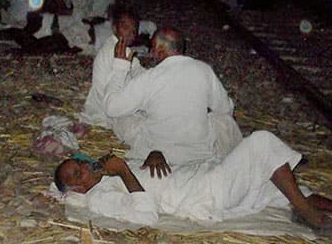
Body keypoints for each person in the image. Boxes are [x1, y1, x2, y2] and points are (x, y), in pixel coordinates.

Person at [53, 129, 332, 231]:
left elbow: (148, 169)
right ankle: (307, 212)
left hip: (201, 176)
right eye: (77, 174)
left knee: (277, 183)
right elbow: (146, 216)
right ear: (78, 188)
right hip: (205, 193)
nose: (84, 168)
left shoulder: (107, 169)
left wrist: (155, 154)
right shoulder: (99, 197)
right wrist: (124, 172)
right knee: (260, 142)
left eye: (79, 164)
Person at [100, 26, 242, 167]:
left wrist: (119, 67)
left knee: (119, 115)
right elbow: (225, 108)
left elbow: (111, 108)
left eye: (153, 49)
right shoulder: (203, 69)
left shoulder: (150, 77)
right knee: (223, 119)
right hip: (200, 152)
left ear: (160, 50)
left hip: (156, 153)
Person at [81, 7, 149, 144]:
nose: (130, 33)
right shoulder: (112, 51)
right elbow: (111, 94)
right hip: (106, 111)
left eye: (134, 31)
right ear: (114, 28)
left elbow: (138, 71)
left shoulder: (124, 49)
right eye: (125, 28)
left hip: (116, 102)